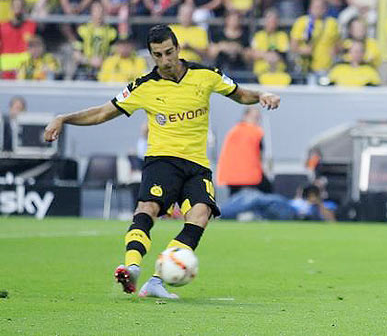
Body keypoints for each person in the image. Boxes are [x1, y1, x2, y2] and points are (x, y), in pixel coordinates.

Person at [43, 25, 280, 299]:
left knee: (201, 215)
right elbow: (101, 113)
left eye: (169, 52)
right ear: (151, 56)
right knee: (148, 207)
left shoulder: (206, 75)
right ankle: (131, 267)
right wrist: (63, 118)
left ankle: (156, 281)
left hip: (197, 164)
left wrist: (261, 95)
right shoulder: (143, 87)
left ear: (178, 48)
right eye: (158, 55)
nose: (165, 60)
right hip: (162, 160)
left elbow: (239, 94)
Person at [215, 107, 272, 195]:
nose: (256, 121)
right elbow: (260, 155)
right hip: (251, 176)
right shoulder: (256, 132)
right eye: (255, 118)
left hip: (231, 177)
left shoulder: (233, 132)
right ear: (245, 116)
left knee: (234, 201)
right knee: (268, 191)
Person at [0, 0, 36, 79]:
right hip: (6, 60)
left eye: (20, 6)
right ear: (11, 8)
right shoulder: (2, 26)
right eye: (15, 6)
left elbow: (36, 46)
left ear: (23, 9)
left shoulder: (31, 25)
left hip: (23, 61)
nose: (17, 8)